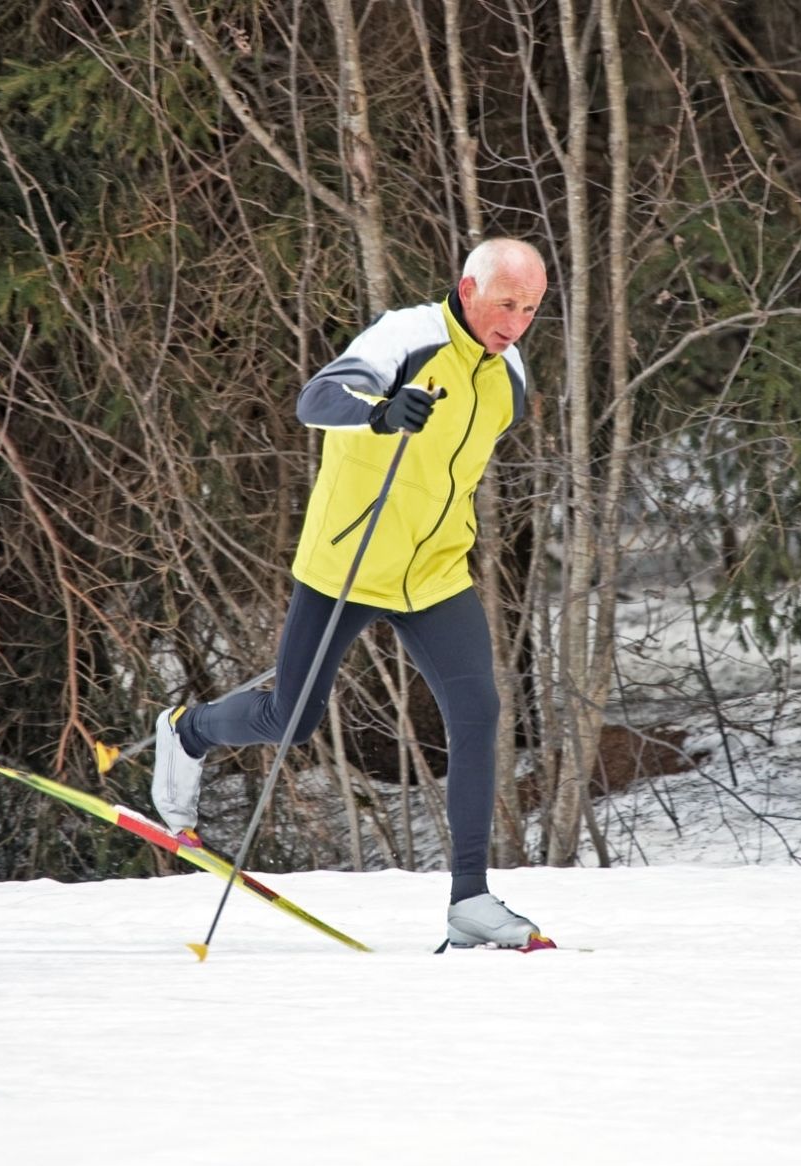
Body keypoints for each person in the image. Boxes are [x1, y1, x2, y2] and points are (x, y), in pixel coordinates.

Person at [151, 237, 551, 950]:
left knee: (478, 711)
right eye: (505, 304)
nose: (515, 323)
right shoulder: (407, 337)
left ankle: (469, 900)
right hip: (346, 566)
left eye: (529, 309)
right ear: (467, 291)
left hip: (434, 574)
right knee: (292, 718)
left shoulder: (509, 375)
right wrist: (381, 411)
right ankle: (189, 731)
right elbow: (315, 398)